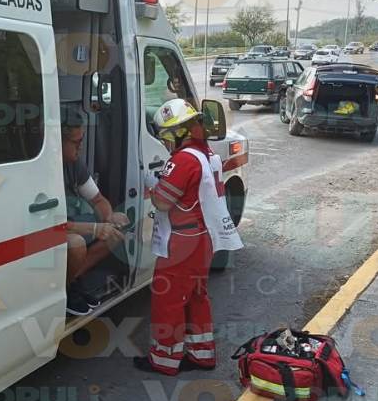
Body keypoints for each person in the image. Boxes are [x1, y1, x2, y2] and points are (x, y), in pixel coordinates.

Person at [133, 99, 243, 375]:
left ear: (176, 132)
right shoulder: (207, 155)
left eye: (166, 135)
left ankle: (164, 360)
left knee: (167, 299)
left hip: (182, 242)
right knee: (196, 296)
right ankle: (201, 355)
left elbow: (163, 202)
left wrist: (151, 182)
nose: (166, 141)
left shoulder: (183, 160)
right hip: (202, 238)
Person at [61, 109, 130, 316]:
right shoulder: (43, 169)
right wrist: (93, 228)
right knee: (76, 244)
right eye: (76, 142)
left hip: (69, 225)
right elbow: (53, 224)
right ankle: (65, 290)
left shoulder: (75, 164)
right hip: (45, 232)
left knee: (114, 236)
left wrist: (109, 219)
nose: (80, 147)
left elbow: (98, 199)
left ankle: (71, 282)